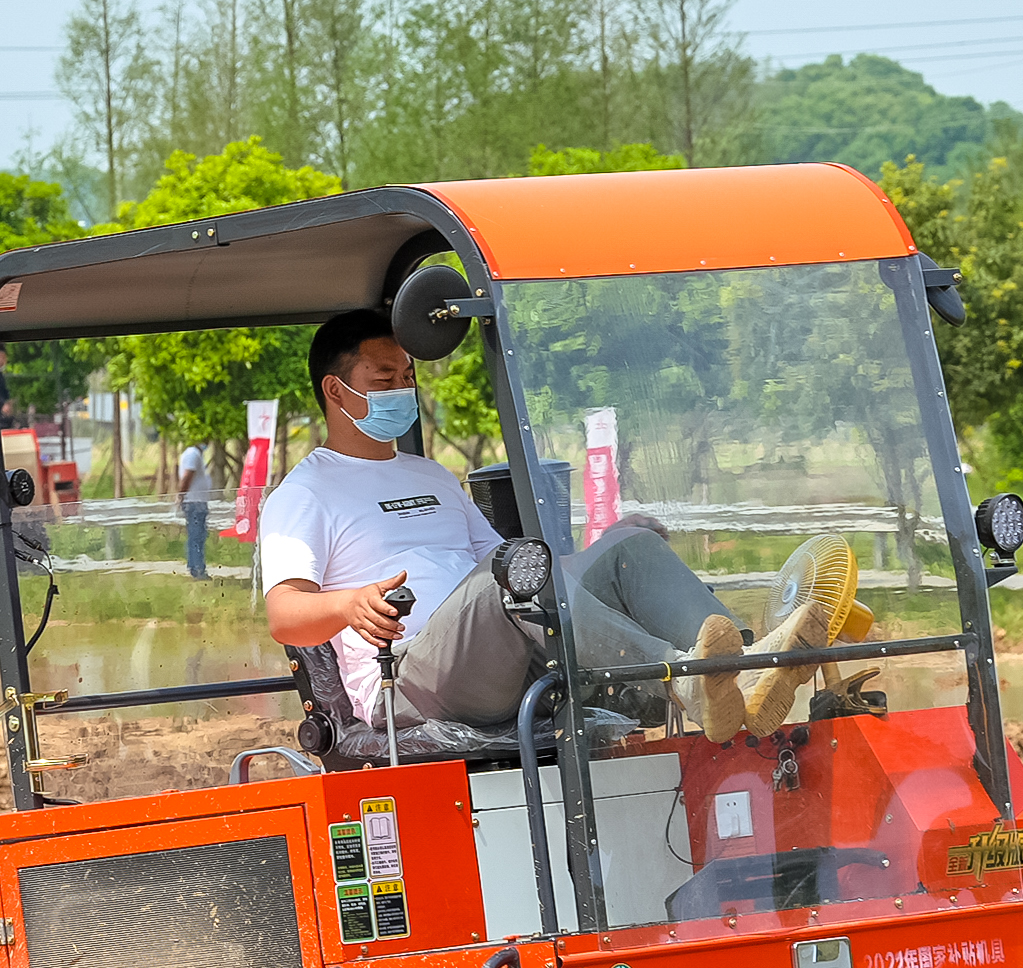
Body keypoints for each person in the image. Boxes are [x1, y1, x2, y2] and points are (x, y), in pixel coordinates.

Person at [259, 311, 830, 742]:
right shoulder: (305, 493)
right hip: (409, 680)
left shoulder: (429, 474)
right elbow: (285, 616)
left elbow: (514, 560)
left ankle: (750, 665)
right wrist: (349, 605)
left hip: (491, 646)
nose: (404, 390)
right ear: (338, 391)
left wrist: (599, 550)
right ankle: (684, 681)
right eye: (385, 379)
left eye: (409, 376)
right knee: (508, 583)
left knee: (628, 547)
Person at [177, 438, 212, 579]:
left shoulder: (196, 454)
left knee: (198, 535)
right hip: (194, 502)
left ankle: (196, 566)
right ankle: (197, 569)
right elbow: (187, 476)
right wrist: (181, 495)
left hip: (198, 501)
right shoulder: (192, 453)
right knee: (196, 535)